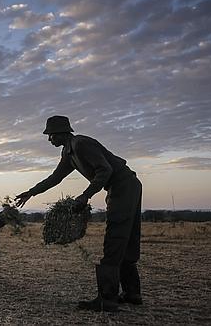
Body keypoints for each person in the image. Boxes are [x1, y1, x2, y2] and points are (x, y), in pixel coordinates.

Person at [15, 115, 143, 312]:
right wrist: (31, 192)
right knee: (126, 240)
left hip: (122, 186)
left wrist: (85, 196)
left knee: (116, 238)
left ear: (61, 133)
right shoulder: (68, 153)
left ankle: (107, 299)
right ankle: (132, 293)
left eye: (51, 135)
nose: (49, 139)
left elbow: (105, 170)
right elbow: (55, 178)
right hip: (126, 186)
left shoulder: (81, 143)